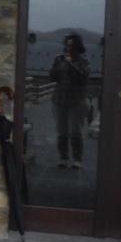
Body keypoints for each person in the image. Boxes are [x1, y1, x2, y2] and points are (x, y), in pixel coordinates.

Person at [49, 33, 91, 169]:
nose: (68, 48)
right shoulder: (60, 59)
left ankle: (77, 159)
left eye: (71, 45)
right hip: (59, 99)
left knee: (75, 131)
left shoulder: (83, 61)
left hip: (77, 101)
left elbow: (82, 78)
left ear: (78, 47)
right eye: (67, 45)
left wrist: (70, 63)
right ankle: (63, 158)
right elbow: (52, 77)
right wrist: (56, 65)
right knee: (62, 131)